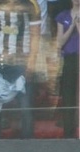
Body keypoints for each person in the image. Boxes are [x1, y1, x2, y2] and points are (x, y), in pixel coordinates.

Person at [0, 0, 41, 139]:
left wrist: (32, 63)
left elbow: (35, 36)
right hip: (0, 62)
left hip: (22, 62)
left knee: (25, 109)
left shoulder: (30, 4)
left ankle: (26, 147)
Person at [55, 0, 78, 138]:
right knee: (69, 96)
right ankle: (68, 132)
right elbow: (60, 42)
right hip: (69, 59)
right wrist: (72, 26)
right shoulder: (63, 15)